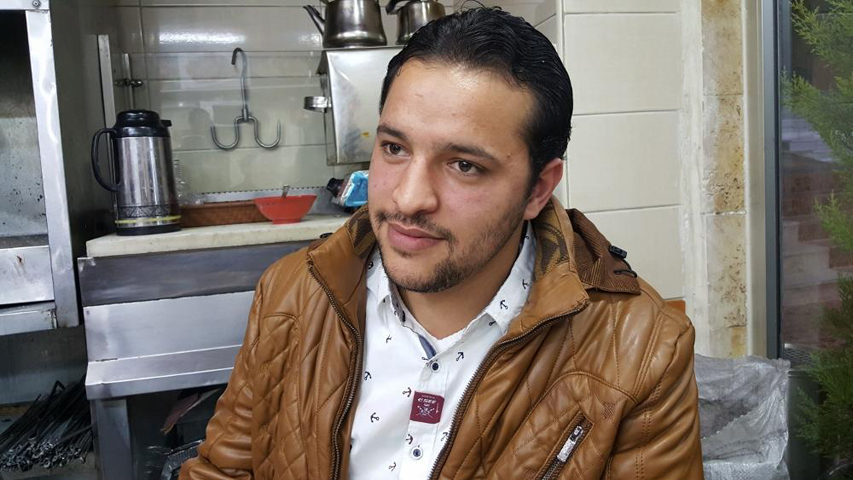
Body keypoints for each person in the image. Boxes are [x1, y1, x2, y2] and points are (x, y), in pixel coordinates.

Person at [180, 7, 703, 480]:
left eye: (464, 166)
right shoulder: (293, 293)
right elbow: (224, 471)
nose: (408, 198)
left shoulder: (642, 353)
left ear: (538, 189)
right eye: (394, 148)